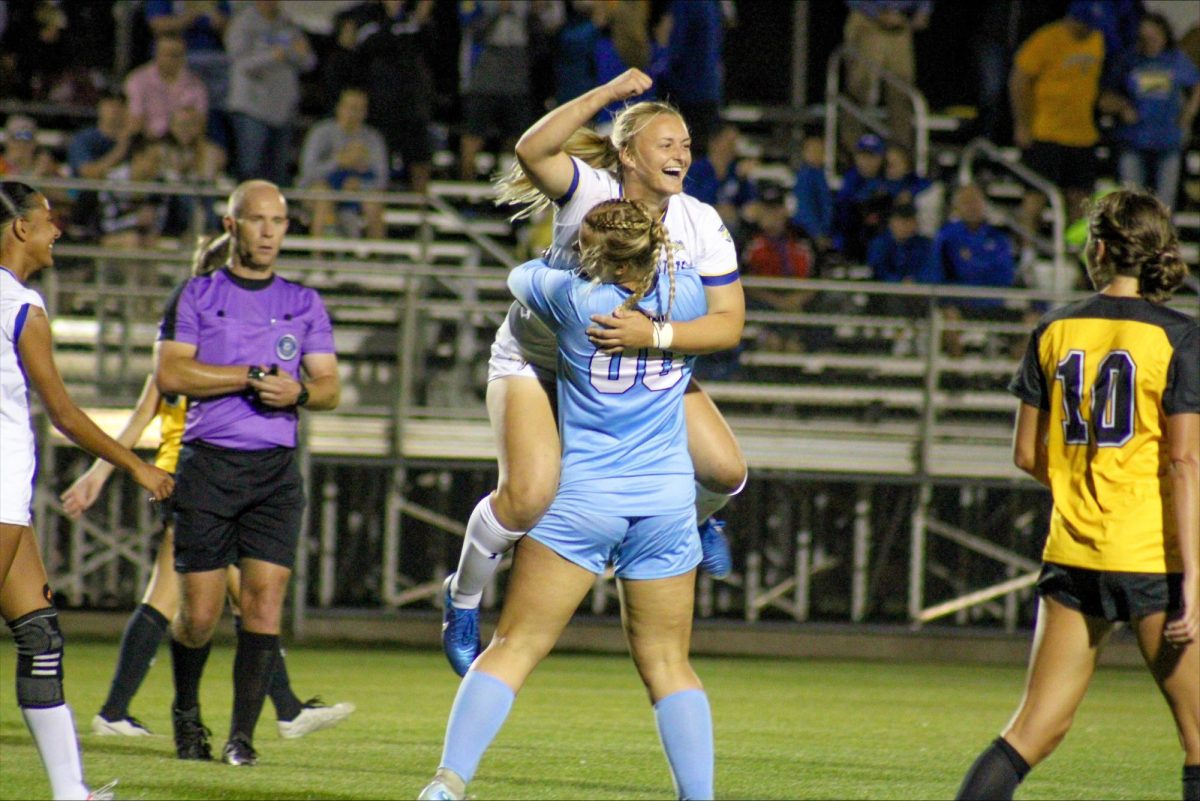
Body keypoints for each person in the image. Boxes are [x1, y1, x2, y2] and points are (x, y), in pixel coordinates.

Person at [440, 69, 746, 677]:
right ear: (628, 153)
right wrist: (609, 94)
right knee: (527, 498)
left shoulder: (700, 222)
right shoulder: (590, 190)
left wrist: (655, 335)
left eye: (686, 143)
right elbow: (532, 149)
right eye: (666, 143)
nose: (681, 153)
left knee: (725, 470)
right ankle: (464, 598)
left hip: (637, 359)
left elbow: (729, 323)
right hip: (541, 362)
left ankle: (696, 517)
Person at [419, 199, 714, 801]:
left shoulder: (572, 299)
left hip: (586, 500)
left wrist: (575, 256)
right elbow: (712, 311)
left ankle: (448, 785)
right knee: (668, 664)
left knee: (514, 647)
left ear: (595, 256)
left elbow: (518, 276)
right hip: (664, 501)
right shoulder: (688, 302)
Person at [955, 188, 1199, 801]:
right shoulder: (1179, 337)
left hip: (1074, 551)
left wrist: (1080, 485)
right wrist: (1192, 580)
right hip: (1150, 557)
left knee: (1032, 731)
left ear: (1099, 248)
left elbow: (1025, 453)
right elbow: (1184, 462)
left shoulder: (1055, 326)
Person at [61, 233, 353, 744]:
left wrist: (100, 474)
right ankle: (123, 708)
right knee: (181, 604)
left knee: (241, 601)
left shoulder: (231, 342)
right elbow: (138, 419)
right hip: (190, 479)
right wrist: (101, 473)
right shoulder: (184, 356)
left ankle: (280, 709)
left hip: (215, 477)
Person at [155, 179, 341, 766]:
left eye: (278, 221)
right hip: (208, 467)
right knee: (199, 616)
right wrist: (248, 377)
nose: (268, 231)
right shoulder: (197, 294)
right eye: (256, 220)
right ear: (232, 226)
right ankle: (187, 715)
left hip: (274, 474)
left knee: (263, 606)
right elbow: (173, 376)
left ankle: (242, 738)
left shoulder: (304, 301)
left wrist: (301, 392)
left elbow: (331, 387)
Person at [1, 180, 174, 800]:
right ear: (19, 228)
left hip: (9, 497)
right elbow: (66, 416)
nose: (57, 230)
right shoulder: (21, 308)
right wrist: (139, 467)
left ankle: (70, 793)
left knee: (41, 635)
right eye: (48, 219)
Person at [1010, 2, 1104, 243]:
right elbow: (1019, 80)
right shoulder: (1046, 39)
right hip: (1047, 132)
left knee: (1080, 202)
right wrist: (1023, 123)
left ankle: (1074, 259)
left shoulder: (1097, 40)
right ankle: (1027, 254)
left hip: (1083, 134)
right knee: (1035, 197)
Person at [1103, 13, 1200, 211]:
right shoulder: (1128, 60)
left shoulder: (1175, 59)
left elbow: (1196, 85)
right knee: (1132, 201)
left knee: (1164, 203)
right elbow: (1107, 94)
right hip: (1134, 139)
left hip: (1168, 140)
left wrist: (1188, 114)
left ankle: (1159, 240)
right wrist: (1123, 107)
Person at [224, 0, 315, 186]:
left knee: (278, 171)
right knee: (251, 168)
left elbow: (309, 62)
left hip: (282, 109)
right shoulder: (243, 23)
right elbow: (238, 63)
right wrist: (272, 56)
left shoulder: (288, 25)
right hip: (252, 108)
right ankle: (246, 212)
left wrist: (301, 54)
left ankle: (273, 213)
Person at [922, 183, 1018, 358]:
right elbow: (938, 273)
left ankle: (1011, 379)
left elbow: (1005, 275)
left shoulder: (998, 237)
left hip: (992, 303)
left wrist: (971, 263)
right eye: (966, 202)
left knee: (1033, 322)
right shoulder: (946, 237)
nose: (972, 206)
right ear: (956, 207)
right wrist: (982, 266)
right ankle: (957, 375)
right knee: (948, 317)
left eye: (976, 201)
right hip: (960, 303)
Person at [297, 86, 389, 239]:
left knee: (375, 200)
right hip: (321, 188)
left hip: (358, 192)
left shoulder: (373, 139)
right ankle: (319, 256)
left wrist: (360, 184)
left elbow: (382, 178)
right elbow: (307, 172)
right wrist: (339, 161)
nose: (353, 113)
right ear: (339, 108)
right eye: (350, 107)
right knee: (323, 194)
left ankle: (378, 256)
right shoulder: (320, 132)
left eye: (359, 109)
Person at [841, 1, 932, 151]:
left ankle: (900, 156)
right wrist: (876, 12)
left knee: (901, 92)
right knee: (859, 89)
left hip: (901, 23)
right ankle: (852, 153)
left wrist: (924, 9)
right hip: (867, 20)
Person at [123, 31, 210, 140]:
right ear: (157, 54)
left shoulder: (196, 84)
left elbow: (201, 124)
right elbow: (136, 121)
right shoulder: (137, 80)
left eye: (177, 55)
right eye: (168, 54)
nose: (172, 59)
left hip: (184, 143)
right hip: (149, 142)